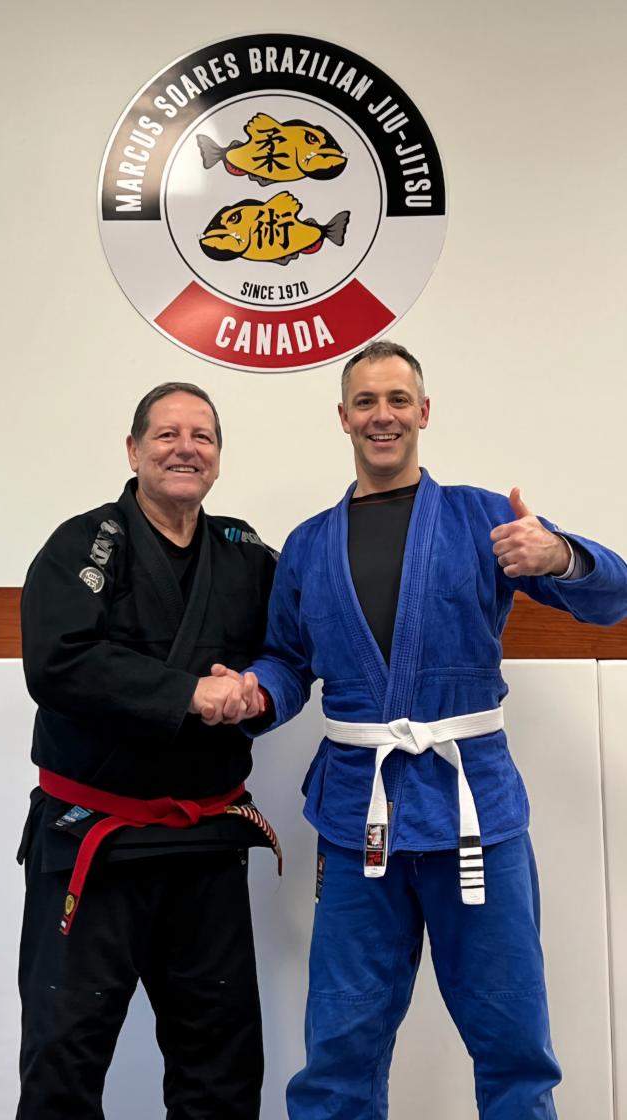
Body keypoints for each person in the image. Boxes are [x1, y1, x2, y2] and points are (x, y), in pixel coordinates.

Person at [213, 340, 627, 1119]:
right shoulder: (307, 546)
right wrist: (254, 692)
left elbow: (613, 599)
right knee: (340, 1047)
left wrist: (560, 554)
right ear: (343, 418)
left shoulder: (482, 519)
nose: (383, 416)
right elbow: (288, 663)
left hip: (475, 812)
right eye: (366, 401)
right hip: (356, 818)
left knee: (513, 1044)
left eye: (398, 399)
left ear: (424, 412)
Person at [16, 382, 278, 1120]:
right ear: (133, 451)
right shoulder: (82, 545)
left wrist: (259, 689)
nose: (185, 449)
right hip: (95, 842)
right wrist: (187, 693)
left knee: (222, 1061)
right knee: (64, 1054)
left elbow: (293, 644)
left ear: (218, 456)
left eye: (203, 436)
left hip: (206, 844)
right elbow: (57, 662)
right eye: (166, 435)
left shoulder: (245, 553)